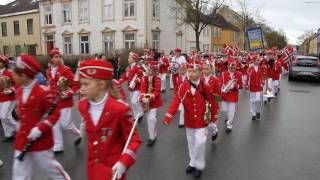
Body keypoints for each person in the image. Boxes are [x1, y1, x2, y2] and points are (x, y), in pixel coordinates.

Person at [78, 59, 141, 180]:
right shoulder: (82, 106)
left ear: (101, 85)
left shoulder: (120, 109)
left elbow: (134, 140)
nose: (81, 88)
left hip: (113, 171)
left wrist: (124, 162)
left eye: (86, 84)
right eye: (81, 84)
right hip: (92, 169)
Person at [12, 54, 70, 180]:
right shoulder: (20, 91)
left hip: (40, 142)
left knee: (51, 169)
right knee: (19, 173)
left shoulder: (43, 92)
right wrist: (19, 123)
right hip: (23, 140)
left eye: (16, 74)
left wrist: (41, 128)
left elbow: (55, 113)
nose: (13, 76)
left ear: (24, 75)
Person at [163, 62, 218, 178]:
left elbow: (213, 102)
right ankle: (192, 162)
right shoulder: (184, 86)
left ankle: (200, 165)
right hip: (189, 120)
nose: (191, 74)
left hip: (202, 121)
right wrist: (168, 116)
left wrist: (214, 117)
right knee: (191, 142)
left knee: (200, 142)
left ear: (200, 72)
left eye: (194, 72)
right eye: (189, 72)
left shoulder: (205, 87)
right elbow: (176, 100)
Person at [46, 48, 81, 153]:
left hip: (65, 101)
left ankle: (79, 133)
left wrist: (69, 93)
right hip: (53, 102)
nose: (58, 59)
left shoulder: (65, 70)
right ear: (51, 58)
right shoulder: (48, 71)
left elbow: (75, 83)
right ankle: (58, 146)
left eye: (59, 56)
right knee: (55, 124)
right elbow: (49, 85)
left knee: (65, 125)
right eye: (56, 57)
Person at [140, 61, 163, 146]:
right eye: (148, 69)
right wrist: (143, 97)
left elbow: (157, 91)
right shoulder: (144, 78)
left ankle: (152, 137)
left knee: (151, 119)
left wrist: (151, 97)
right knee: (149, 119)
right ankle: (152, 135)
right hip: (146, 102)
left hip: (154, 102)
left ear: (154, 71)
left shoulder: (157, 79)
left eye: (150, 69)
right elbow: (142, 89)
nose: (148, 71)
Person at [119, 52, 144, 122]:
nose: (128, 59)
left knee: (134, 101)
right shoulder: (129, 67)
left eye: (129, 58)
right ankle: (136, 115)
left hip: (137, 88)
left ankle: (141, 112)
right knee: (133, 103)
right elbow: (125, 75)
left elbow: (141, 78)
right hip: (130, 88)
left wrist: (136, 81)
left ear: (134, 59)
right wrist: (120, 81)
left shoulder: (138, 68)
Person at [219, 60, 243, 133]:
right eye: (231, 66)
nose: (233, 67)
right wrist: (221, 88)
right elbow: (220, 82)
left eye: (234, 66)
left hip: (233, 95)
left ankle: (229, 125)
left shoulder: (238, 74)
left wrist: (235, 86)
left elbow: (241, 85)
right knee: (224, 110)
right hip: (224, 95)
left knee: (231, 110)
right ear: (228, 66)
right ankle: (228, 118)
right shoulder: (223, 73)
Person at [202, 62, 221, 141]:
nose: (205, 71)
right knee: (203, 124)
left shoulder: (215, 80)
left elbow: (218, 95)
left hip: (211, 105)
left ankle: (214, 131)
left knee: (211, 124)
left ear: (211, 70)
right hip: (201, 104)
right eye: (203, 69)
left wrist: (217, 106)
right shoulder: (200, 79)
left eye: (207, 69)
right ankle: (202, 141)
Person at [0, 54, 17, 142]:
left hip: (9, 97)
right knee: (2, 117)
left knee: (5, 116)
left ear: (4, 63)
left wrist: (12, 89)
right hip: (1, 97)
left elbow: (17, 83)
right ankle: (9, 134)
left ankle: (19, 128)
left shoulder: (9, 72)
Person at [246, 55, 264, 120]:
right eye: (257, 60)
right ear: (253, 61)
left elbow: (262, 76)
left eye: (259, 60)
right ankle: (253, 114)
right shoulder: (250, 68)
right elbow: (248, 78)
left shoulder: (261, 68)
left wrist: (262, 82)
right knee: (252, 101)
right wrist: (247, 87)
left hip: (259, 87)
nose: (258, 61)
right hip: (252, 87)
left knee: (258, 100)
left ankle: (258, 111)